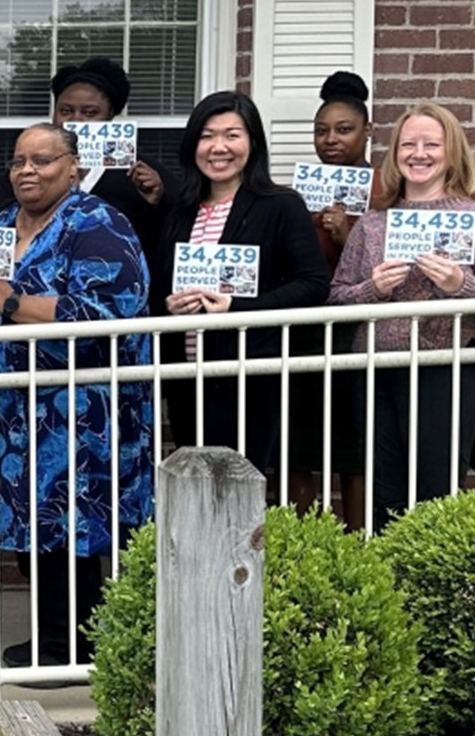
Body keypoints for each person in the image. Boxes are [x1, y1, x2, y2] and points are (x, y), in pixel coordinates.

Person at [0, 123, 154, 669]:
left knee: (74, 529)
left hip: (80, 414)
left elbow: (112, 311)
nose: (27, 171)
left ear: (72, 166)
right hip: (15, 411)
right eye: (19, 161)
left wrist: (14, 301)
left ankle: (75, 645)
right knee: (30, 527)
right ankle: (51, 637)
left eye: (42, 160)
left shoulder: (97, 224)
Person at [149, 92, 329, 472]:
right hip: (186, 376)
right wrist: (168, 305)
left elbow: (313, 285)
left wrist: (238, 308)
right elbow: (157, 286)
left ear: (253, 142)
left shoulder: (280, 204)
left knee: (243, 486)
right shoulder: (179, 210)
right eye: (207, 136)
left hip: (251, 374)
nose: (219, 147)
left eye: (232, 135)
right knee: (195, 485)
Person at [328, 101, 475, 533]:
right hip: (376, 370)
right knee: (384, 492)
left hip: (444, 368)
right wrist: (373, 289)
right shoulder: (373, 225)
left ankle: (431, 595)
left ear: (452, 152)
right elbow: (335, 300)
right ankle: (388, 592)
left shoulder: (471, 217)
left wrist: (458, 286)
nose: (419, 153)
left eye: (432, 144)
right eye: (408, 144)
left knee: (436, 488)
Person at [0, 57, 173, 251]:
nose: (76, 121)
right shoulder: (29, 169)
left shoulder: (139, 174)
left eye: (90, 113)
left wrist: (158, 202)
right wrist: (30, 201)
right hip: (30, 287)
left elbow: (170, 242)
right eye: (65, 111)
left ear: (111, 115)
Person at [290, 71, 376, 526]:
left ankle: (359, 542)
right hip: (306, 327)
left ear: (367, 132)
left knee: (353, 444)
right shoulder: (298, 192)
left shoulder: (384, 190)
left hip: (357, 329)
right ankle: (306, 544)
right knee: (300, 443)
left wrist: (348, 237)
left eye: (344, 130)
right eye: (321, 131)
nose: (331, 140)